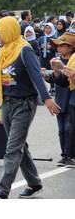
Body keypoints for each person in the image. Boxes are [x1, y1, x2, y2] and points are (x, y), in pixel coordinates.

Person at [0, 16, 60, 199]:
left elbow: (36, 75)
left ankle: (2, 189)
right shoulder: (3, 52)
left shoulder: (24, 49)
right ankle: (34, 183)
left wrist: (47, 98)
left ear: (10, 31)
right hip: (7, 105)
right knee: (19, 146)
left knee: (12, 147)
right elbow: (3, 83)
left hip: (24, 104)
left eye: (1, 32)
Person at [46, 33, 75, 168]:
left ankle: (69, 155)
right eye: (58, 45)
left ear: (71, 47)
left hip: (71, 99)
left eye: (62, 45)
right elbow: (58, 81)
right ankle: (64, 155)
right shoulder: (56, 60)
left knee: (70, 128)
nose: (59, 48)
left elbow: (67, 81)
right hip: (59, 99)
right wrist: (52, 73)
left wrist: (62, 71)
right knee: (61, 129)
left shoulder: (73, 61)